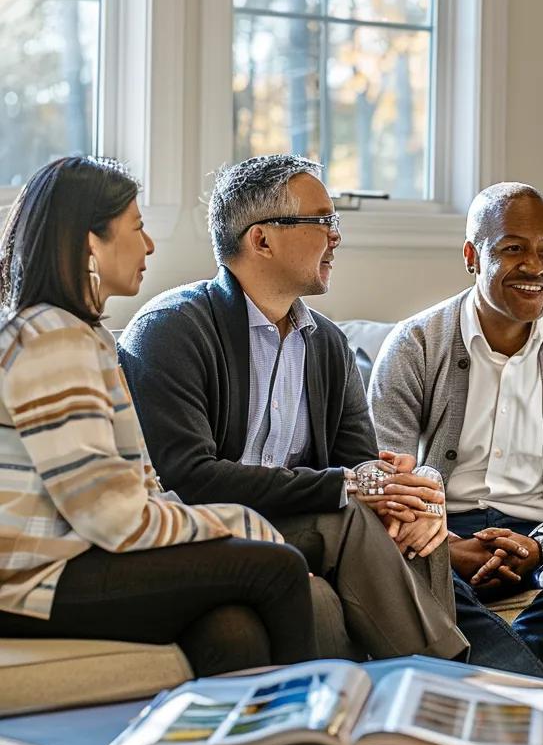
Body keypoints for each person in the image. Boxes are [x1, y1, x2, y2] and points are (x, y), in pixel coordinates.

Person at [118, 154, 467, 664]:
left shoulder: (326, 343)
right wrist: (347, 487)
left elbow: (357, 462)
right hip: (206, 530)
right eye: (321, 221)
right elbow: (190, 476)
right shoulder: (172, 329)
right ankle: (447, 680)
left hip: (296, 528)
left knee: (411, 516)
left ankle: (401, 714)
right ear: (261, 239)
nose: (337, 236)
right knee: (349, 522)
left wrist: (401, 490)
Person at [0, 156, 318, 677]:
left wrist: (221, 529)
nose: (149, 245)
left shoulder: (83, 336)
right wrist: (238, 524)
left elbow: (140, 487)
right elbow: (110, 515)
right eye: (137, 227)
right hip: (29, 580)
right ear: (90, 243)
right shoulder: (51, 339)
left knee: (230, 628)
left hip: (71, 561)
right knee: (276, 568)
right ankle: (305, 738)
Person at [369, 182, 543, 680]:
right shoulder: (414, 344)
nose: (536, 267)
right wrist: (447, 545)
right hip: (441, 535)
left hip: (539, 541)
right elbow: (388, 482)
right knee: (394, 558)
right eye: (513, 248)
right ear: (472, 256)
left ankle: (502, 674)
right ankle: (539, 683)